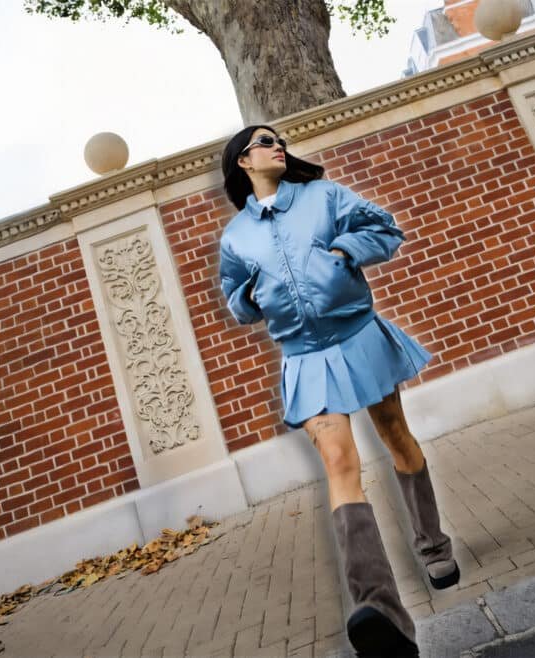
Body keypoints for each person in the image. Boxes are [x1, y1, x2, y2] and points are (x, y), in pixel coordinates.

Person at [218, 125, 460, 657]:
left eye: (279, 140)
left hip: (357, 335)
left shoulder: (323, 196)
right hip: (304, 358)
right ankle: (380, 610)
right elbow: (234, 299)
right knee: (338, 463)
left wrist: (346, 252)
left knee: (395, 435)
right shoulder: (237, 235)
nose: (276, 145)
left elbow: (384, 228)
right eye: (263, 141)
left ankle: (433, 544)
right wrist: (251, 295)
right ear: (242, 162)